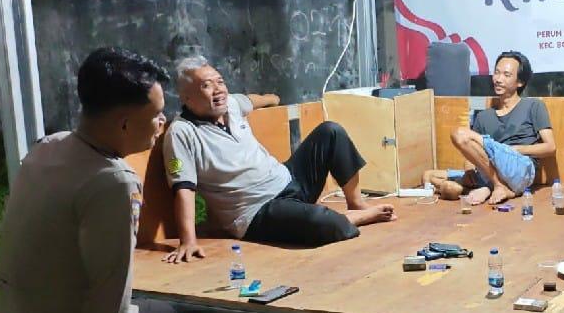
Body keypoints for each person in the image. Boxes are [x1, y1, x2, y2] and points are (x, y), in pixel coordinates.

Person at [162, 56, 393, 263]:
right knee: (323, 222)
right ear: (187, 98)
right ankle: (353, 218)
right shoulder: (182, 132)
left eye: (220, 81)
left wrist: (273, 99)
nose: (218, 90)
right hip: (256, 211)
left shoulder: (230, 103)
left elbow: (251, 100)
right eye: (206, 85)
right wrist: (188, 241)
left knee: (331, 132)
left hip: (287, 179)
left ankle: (355, 203)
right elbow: (184, 188)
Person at [0, 47, 169, 313]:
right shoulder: (115, 182)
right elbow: (112, 297)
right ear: (124, 124)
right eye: (156, 115)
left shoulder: (47, 146)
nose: (163, 122)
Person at [422, 51, 555, 205]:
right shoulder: (484, 117)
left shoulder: (533, 106)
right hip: (491, 168)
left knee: (460, 134)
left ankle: (493, 186)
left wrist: (513, 149)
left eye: (506, 75)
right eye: (496, 73)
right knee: (429, 176)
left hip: (520, 168)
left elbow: (550, 147)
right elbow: (474, 151)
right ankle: (493, 187)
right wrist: (469, 168)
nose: (498, 79)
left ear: (520, 82)